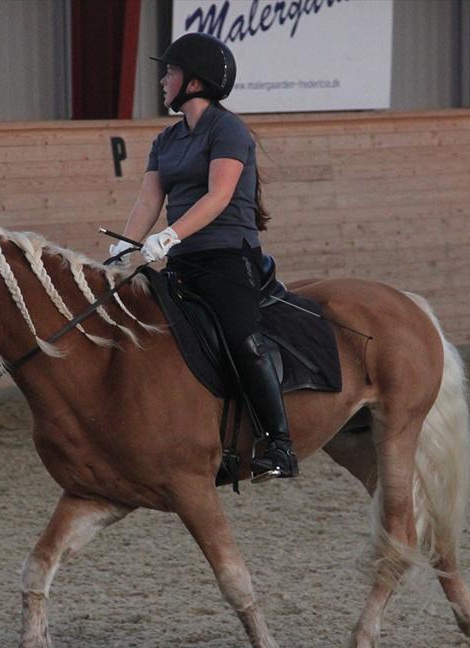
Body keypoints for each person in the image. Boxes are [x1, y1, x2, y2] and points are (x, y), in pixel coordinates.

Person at [109, 32, 296, 482]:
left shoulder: (227, 129)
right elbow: (148, 200)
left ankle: (279, 445)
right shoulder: (167, 139)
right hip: (184, 262)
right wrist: (125, 246)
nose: (162, 80)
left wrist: (168, 237)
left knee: (242, 341)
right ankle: (213, 446)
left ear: (195, 82)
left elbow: (220, 195)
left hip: (229, 256)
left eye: (170, 72)